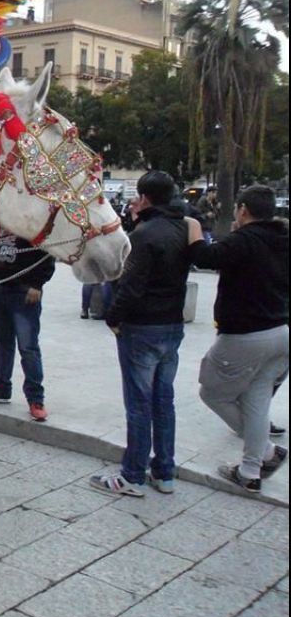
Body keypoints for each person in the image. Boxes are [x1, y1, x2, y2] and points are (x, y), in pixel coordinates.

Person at [91, 171, 194, 497]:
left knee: (139, 403)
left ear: (145, 198)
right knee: (164, 401)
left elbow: (131, 287)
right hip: (171, 325)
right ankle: (164, 471)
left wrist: (113, 317)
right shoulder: (182, 228)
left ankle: (132, 474)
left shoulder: (145, 235)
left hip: (142, 327)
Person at [189, 185, 289, 493]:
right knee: (256, 399)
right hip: (281, 333)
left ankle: (267, 453)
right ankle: (249, 472)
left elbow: (204, 256)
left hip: (247, 335)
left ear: (243, 210)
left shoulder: (245, 239)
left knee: (213, 393)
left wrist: (193, 226)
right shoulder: (282, 239)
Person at [0, 223, 55, 422]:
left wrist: (37, 283)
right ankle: (1, 387)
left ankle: (36, 398)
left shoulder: (27, 218)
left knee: (28, 347)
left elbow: (47, 253)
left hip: (24, 289)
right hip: (0, 288)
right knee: (2, 342)